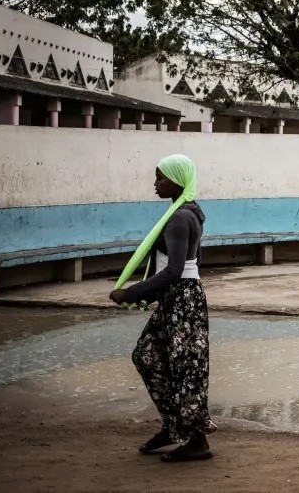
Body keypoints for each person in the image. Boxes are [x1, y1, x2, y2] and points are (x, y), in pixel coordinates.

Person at [109, 154, 216, 462]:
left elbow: (174, 269)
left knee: (186, 370)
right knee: (147, 355)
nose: (155, 183)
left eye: (161, 178)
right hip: (179, 297)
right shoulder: (184, 212)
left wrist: (130, 293)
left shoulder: (181, 217)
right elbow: (183, 265)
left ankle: (196, 441)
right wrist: (158, 296)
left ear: (178, 180)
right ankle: (174, 426)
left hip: (182, 298)